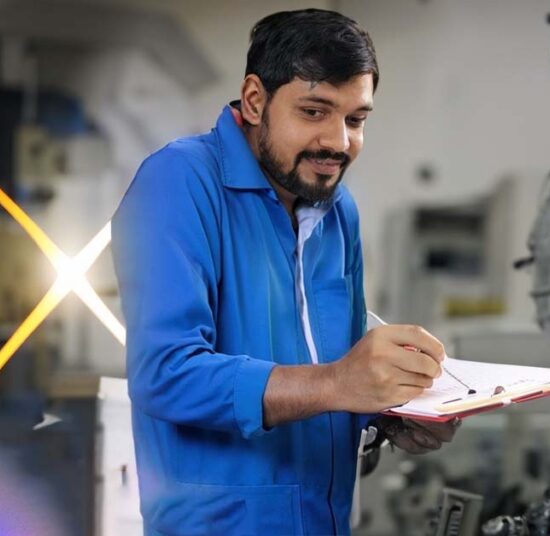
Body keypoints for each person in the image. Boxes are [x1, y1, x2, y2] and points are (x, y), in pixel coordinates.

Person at [111, 8, 459, 535]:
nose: (338, 142)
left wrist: (390, 409)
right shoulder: (179, 181)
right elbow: (165, 374)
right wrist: (341, 383)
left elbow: (329, 368)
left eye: (356, 119)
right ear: (255, 100)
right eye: (314, 111)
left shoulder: (338, 210)